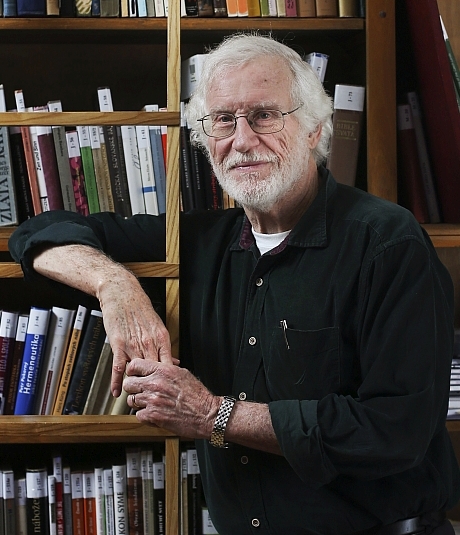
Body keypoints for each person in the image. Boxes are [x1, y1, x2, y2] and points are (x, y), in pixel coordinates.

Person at [9, 34, 460, 535]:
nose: (241, 140)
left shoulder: (389, 244)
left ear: (314, 128)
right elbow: (36, 232)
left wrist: (213, 415)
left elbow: (395, 432)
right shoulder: (194, 242)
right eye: (223, 119)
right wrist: (114, 284)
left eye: (264, 115)